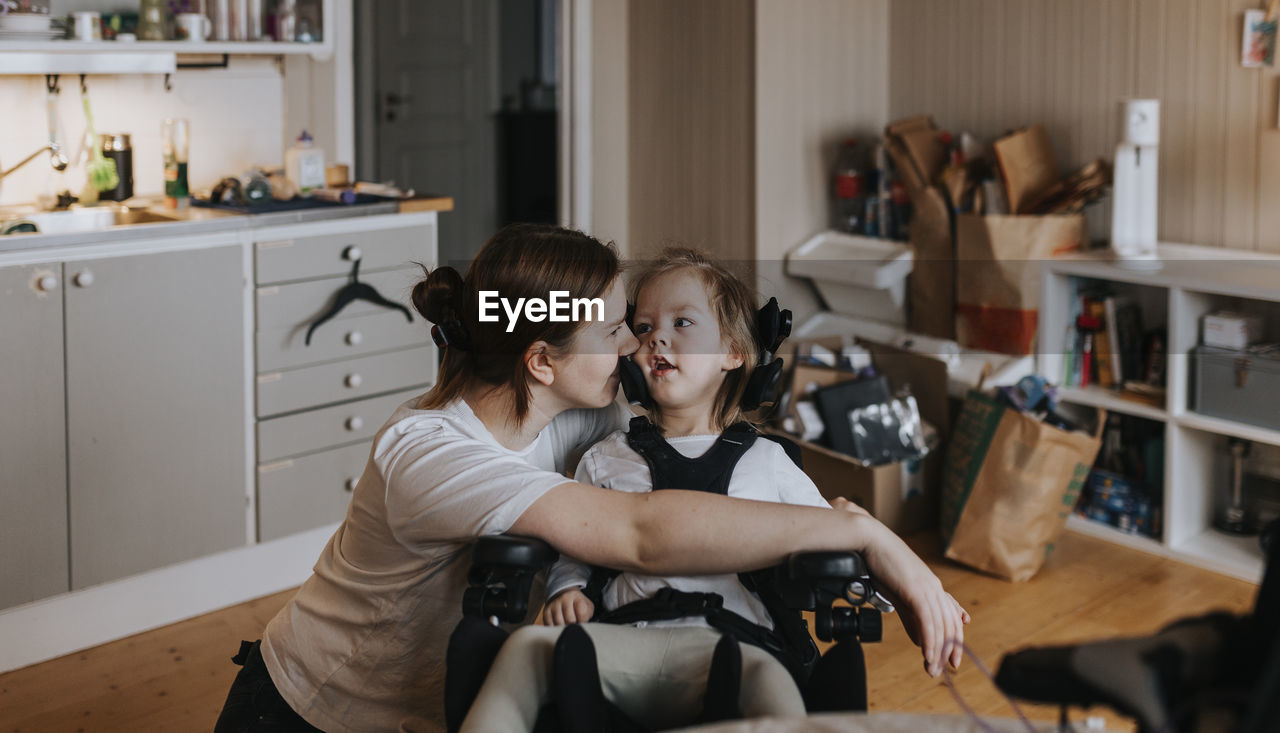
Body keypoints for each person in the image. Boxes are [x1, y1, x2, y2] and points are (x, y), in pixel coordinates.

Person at [214, 223, 968, 733]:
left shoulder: (582, 418)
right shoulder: (427, 453)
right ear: (541, 360)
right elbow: (642, 532)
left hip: (434, 710)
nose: (635, 344)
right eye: (616, 328)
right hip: (314, 713)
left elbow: (697, 472)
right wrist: (864, 528)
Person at [459, 247, 859, 731]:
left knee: (776, 688)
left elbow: (824, 532)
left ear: (733, 351)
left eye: (683, 323)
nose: (656, 339)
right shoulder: (605, 457)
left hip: (735, 646)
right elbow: (575, 549)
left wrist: (854, 539)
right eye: (642, 328)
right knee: (526, 649)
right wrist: (568, 588)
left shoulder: (769, 462)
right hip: (627, 640)